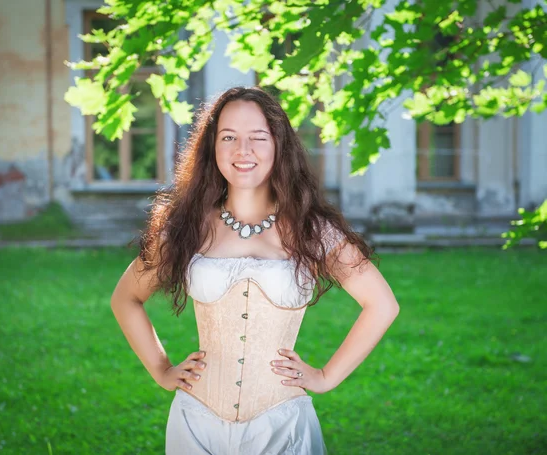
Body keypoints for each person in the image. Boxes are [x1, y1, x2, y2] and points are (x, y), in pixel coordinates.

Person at [110, 87, 400, 454]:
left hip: (282, 424)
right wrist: (162, 370)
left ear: (279, 146)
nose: (241, 151)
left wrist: (326, 377)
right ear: (211, 147)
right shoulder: (187, 227)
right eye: (228, 137)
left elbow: (382, 305)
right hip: (196, 421)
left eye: (257, 138)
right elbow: (126, 298)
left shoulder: (311, 229)